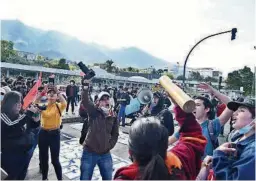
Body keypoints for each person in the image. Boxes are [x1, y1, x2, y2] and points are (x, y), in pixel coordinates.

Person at [114, 97, 207, 180]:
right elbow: (192, 136)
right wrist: (179, 103)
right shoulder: (180, 162)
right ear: (165, 146)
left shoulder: (127, 177)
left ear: (130, 152)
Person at [169, 83, 233, 158]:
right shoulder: (187, 127)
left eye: (198, 105)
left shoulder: (212, 125)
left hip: (205, 167)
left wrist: (215, 92)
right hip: (188, 167)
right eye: (193, 105)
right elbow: (168, 141)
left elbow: (231, 105)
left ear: (207, 109)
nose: (194, 107)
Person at [198, 99, 255, 180]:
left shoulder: (253, 150)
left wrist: (218, 154)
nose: (234, 113)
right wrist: (216, 159)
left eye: (241, 110)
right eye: (235, 110)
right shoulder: (236, 136)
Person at [79, 79, 119, 180]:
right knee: (85, 178)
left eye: (107, 99)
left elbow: (115, 134)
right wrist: (85, 87)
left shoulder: (113, 116)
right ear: (98, 102)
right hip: (89, 152)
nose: (106, 101)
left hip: (105, 154)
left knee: (108, 178)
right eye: (103, 99)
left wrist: (109, 146)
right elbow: (85, 101)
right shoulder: (94, 112)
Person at [1, 91, 39, 180]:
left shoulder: (20, 115)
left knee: (21, 175)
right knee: (11, 176)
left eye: (20, 102)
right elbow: (12, 125)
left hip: (24, 153)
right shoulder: (2, 115)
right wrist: (28, 114)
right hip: (11, 156)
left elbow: (30, 127)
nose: (19, 105)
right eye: (16, 102)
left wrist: (36, 120)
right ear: (9, 103)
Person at [35, 85, 67, 180]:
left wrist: (58, 92)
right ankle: (44, 178)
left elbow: (64, 103)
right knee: (44, 158)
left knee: (55, 160)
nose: (51, 96)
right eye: (50, 94)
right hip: (43, 133)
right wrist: (42, 93)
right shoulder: (44, 105)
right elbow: (34, 102)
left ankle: (59, 179)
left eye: (54, 94)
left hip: (55, 134)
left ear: (56, 97)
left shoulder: (58, 106)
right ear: (47, 96)